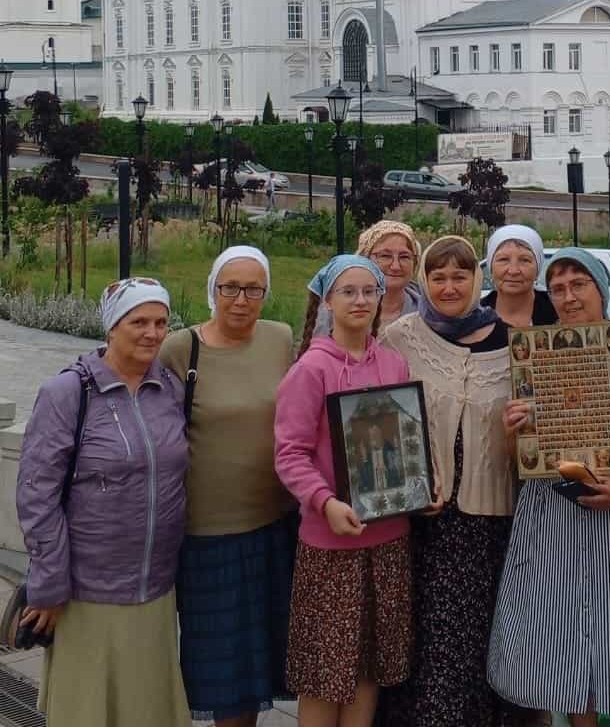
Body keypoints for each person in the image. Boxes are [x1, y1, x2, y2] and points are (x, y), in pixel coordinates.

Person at [488, 248, 610, 726]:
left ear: (601, 288)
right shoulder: (537, 352)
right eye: (558, 288)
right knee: (567, 637)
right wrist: (512, 431)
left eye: (579, 284)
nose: (569, 297)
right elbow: (523, 456)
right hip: (555, 515)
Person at [17, 278, 191, 727]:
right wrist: (49, 584)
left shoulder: (169, 388)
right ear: (112, 327)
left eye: (161, 322)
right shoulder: (67, 393)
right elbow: (37, 493)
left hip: (155, 591)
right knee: (89, 711)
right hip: (87, 593)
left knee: (146, 710)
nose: (152, 333)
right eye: (139, 322)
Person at [378, 236, 515, 727]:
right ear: (425, 281)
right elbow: (379, 419)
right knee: (420, 632)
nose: (449, 287)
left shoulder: (514, 342)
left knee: (471, 633)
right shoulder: (401, 338)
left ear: (477, 279)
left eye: (460, 276)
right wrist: (406, 487)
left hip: (486, 521)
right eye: (438, 277)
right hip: (421, 517)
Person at [160, 245, 296, 727]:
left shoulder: (280, 338)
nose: (241, 300)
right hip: (208, 534)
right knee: (225, 670)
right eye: (230, 288)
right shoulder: (181, 349)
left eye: (253, 289)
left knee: (259, 665)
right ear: (212, 290)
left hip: (274, 526)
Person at [275, 256, 413, 727]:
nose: (360, 301)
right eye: (348, 292)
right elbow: (290, 454)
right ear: (328, 302)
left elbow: (406, 443)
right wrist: (325, 501)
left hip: (388, 537)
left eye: (369, 291)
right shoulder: (311, 369)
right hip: (331, 544)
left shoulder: (394, 364)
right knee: (323, 672)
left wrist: (421, 485)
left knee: (368, 664)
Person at [306, 219, 421, 338]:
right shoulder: (334, 310)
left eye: (404, 257)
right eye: (385, 256)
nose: (395, 266)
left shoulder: (426, 312)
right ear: (364, 261)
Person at [485, 225, 556, 327]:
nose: (513, 271)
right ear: (491, 267)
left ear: (538, 268)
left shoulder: (559, 311)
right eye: (503, 259)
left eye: (524, 260)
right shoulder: (473, 319)